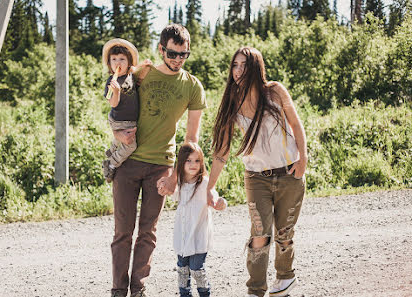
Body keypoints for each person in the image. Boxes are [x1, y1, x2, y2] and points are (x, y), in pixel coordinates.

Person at [110, 24, 207, 297]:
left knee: (148, 233)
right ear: (161, 49)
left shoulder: (192, 87)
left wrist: (175, 176)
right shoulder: (142, 74)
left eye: (183, 55)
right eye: (173, 53)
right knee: (122, 232)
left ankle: (138, 288)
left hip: (161, 166)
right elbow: (117, 107)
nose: (178, 60)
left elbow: (191, 139)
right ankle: (118, 290)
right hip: (128, 162)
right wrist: (116, 132)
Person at [206, 47, 308, 297]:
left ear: (256, 68)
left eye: (244, 65)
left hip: (289, 173)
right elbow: (222, 150)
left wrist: (303, 158)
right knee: (260, 234)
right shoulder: (233, 100)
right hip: (256, 178)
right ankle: (255, 290)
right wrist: (209, 186)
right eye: (235, 65)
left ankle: (285, 278)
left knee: (284, 233)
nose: (238, 71)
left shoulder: (274, 91)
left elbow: (295, 123)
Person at [172, 142, 227, 297]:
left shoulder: (204, 183)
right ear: (181, 163)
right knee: (182, 269)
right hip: (183, 235)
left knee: (196, 269)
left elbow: (215, 199)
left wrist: (221, 203)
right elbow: (171, 193)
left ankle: (204, 293)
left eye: (197, 161)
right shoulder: (179, 183)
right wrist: (163, 185)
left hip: (198, 236)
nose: (193, 164)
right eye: (188, 160)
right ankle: (185, 294)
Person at [101, 38, 150, 183]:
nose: (118, 62)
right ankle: (111, 164)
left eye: (122, 59)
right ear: (109, 64)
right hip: (120, 119)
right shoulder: (112, 82)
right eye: (114, 59)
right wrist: (115, 91)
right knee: (131, 145)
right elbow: (113, 103)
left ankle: (112, 149)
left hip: (128, 120)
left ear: (129, 62)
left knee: (124, 139)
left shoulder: (130, 75)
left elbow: (138, 70)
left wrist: (145, 65)